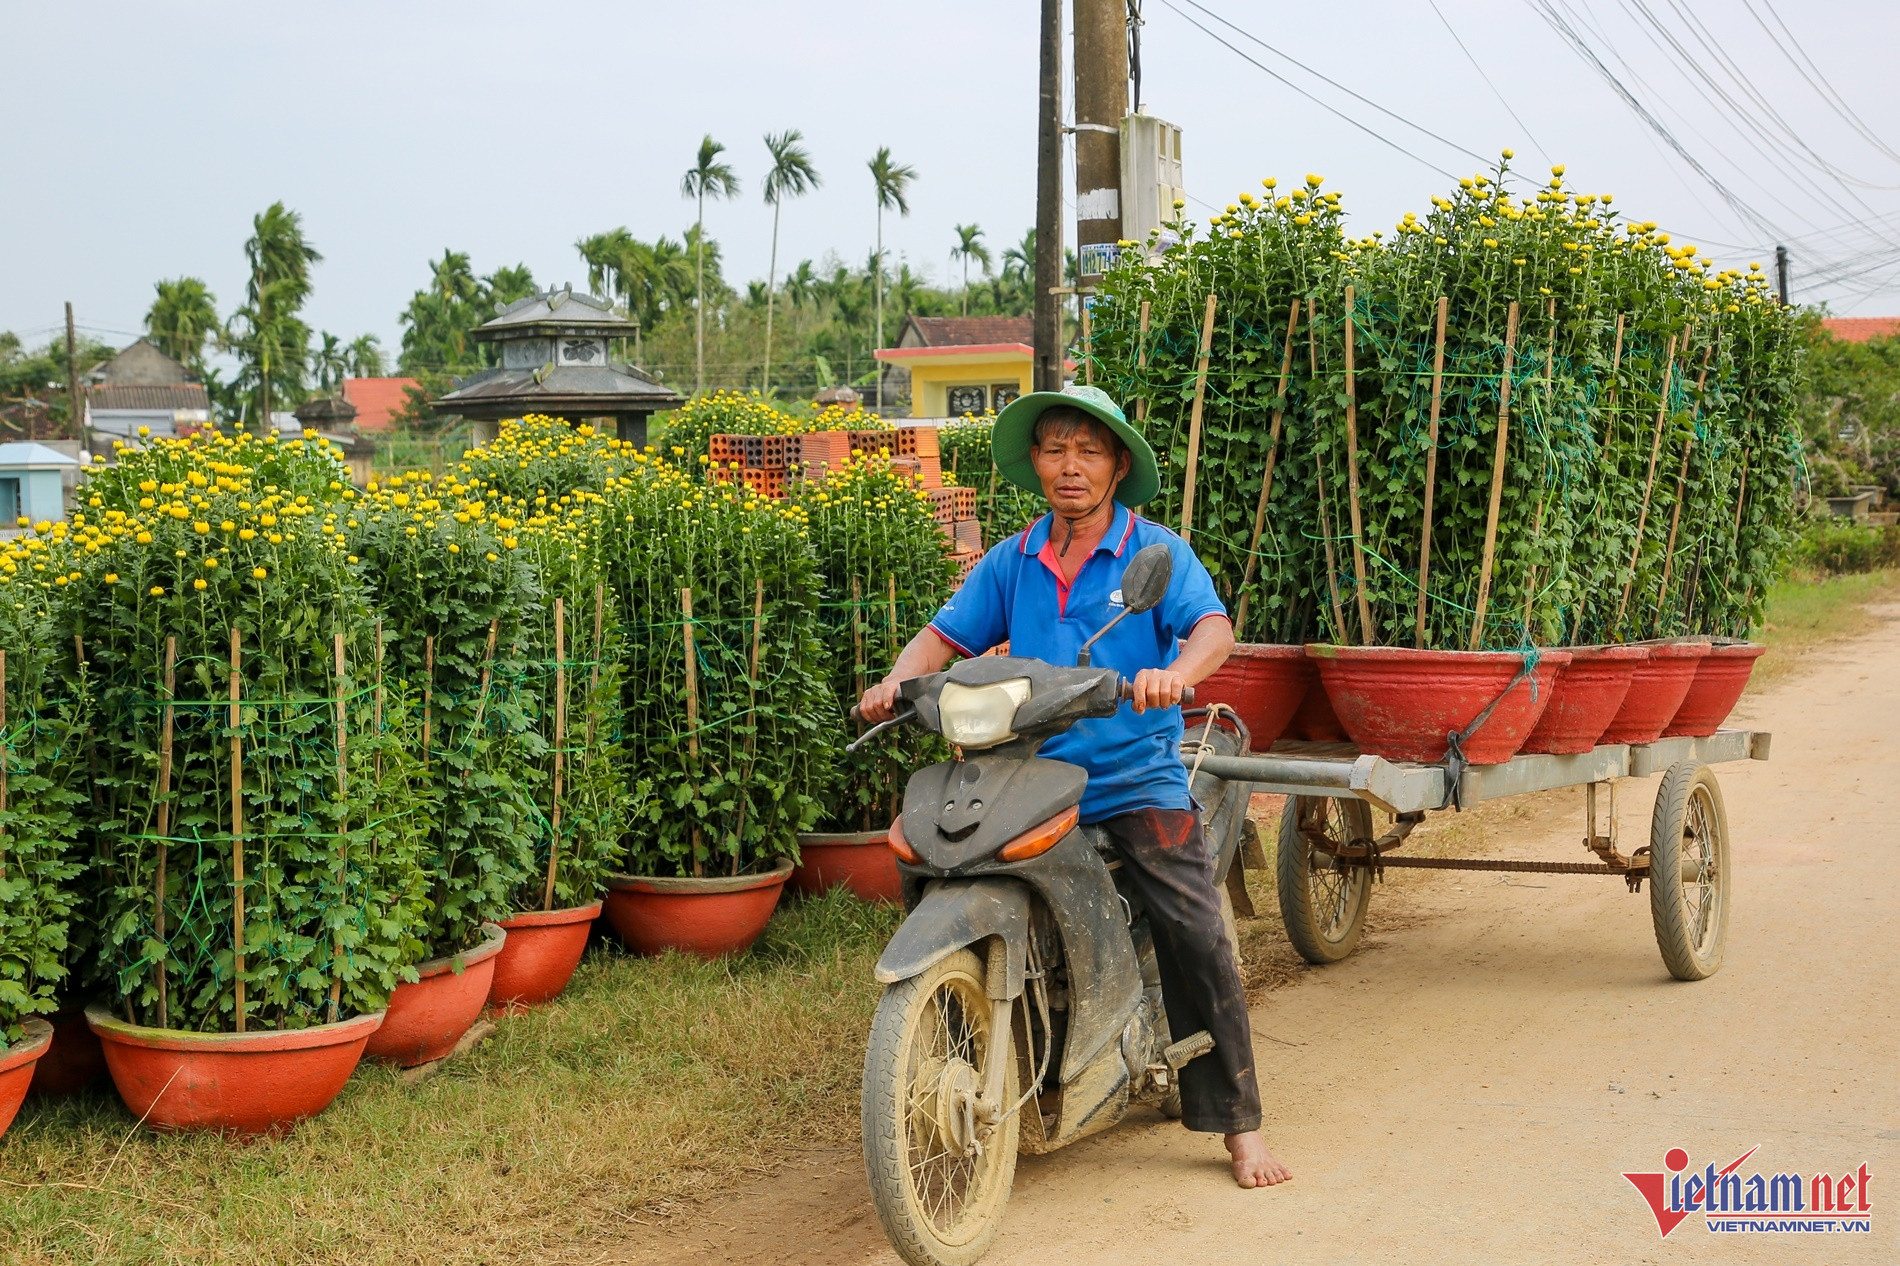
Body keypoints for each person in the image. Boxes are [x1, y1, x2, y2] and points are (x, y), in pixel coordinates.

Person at [857, 384, 1292, 1190]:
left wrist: (1175, 674)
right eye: (1055, 449)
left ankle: (1240, 1128)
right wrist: (895, 682)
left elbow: (1213, 629)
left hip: (1134, 779)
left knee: (1196, 931)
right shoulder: (1014, 558)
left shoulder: (1152, 551)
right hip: (1029, 774)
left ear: (1117, 466)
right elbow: (944, 634)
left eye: (1089, 451)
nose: (1071, 466)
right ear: (1035, 462)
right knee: (933, 864)